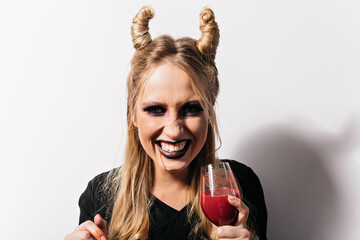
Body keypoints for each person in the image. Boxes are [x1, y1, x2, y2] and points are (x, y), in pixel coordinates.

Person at [65, 6, 267, 240]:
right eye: (156, 109)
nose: (173, 130)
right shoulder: (100, 196)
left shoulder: (239, 186)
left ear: (210, 110)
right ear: (132, 112)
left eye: (191, 109)